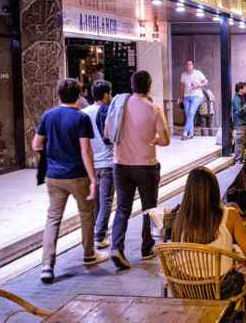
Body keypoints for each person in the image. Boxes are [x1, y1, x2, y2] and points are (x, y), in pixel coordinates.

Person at [32, 78, 107, 283]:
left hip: (53, 177)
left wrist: (52, 150)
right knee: (86, 214)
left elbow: (36, 144)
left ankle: (47, 265)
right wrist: (93, 178)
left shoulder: (48, 115)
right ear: (79, 95)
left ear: (59, 95)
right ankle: (89, 254)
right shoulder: (81, 118)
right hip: (77, 175)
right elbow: (85, 150)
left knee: (53, 218)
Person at [105, 70, 170, 270]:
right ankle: (146, 248)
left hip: (120, 165)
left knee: (123, 208)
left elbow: (108, 133)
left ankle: (116, 247)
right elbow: (166, 139)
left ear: (132, 85)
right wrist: (153, 140)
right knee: (149, 209)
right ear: (149, 86)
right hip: (146, 166)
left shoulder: (118, 106)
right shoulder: (154, 109)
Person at [172, 167, 246, 307]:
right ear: (214, 189)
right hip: (221, 289)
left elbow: (176, 248)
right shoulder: (229, 215)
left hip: (187, 288)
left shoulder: (180, 217)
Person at [82, 80, 114, 249]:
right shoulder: (109, 112)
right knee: (106, 201)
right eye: (110, 93)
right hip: (107, 163)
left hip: (90, 165)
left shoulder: (83, 113)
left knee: (96, 202)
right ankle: (100, 236)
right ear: (105, 94)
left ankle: (98, 231)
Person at [179, 60, 209, 140]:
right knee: (188, 114)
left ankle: (185, 133)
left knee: (191, 112)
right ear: (185, 66)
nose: (188, 66)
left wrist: (199, 85)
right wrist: (181, 97)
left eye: (190, 64)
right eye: (187, 64)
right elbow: (181, 87)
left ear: (193, 65)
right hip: (186, 96)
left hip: (197, 96)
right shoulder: (183, 75)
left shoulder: (198, 73)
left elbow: (206, 82)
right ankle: (191, 133)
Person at [231, 82, 246, 163]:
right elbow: (239, 112)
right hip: (239, 123)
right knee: (239, 142)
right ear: (240, 89)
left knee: (242, 142)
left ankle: (240, 159)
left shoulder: (241, 97)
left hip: (243, 122)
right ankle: (238, 160)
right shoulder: (236, 99)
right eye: (245, 88)